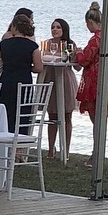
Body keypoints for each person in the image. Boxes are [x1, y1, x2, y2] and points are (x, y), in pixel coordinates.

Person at [74, 0, 108, 163]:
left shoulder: (95, 39)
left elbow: (84, 60)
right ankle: (98, 151)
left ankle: (96, 153)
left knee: (95, 119)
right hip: (103, 78)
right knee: (99, 119)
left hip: (92, 80)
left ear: (90, 22)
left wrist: (77, 52)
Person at [0, 12, 43, 132]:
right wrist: (27, 67)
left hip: (6, 82)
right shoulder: (33, 46)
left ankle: (4, 138)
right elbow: (39, 68)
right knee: (22, 114)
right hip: (24, 83)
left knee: (5, 113)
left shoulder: (4, 44)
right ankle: (20, 140)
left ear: (14, 27)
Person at [41, 17, 79, 159]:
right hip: (50, 78)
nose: (55, 30)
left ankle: (66, 150)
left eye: (58, 27)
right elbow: (43, 58)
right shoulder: (47, 44)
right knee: (52, 115)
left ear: (64, 29)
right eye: (53, 27)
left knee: (67, 115)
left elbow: (77, 67)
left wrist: (75, 55)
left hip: (65, 79)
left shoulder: (70, 44)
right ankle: (51, 149)